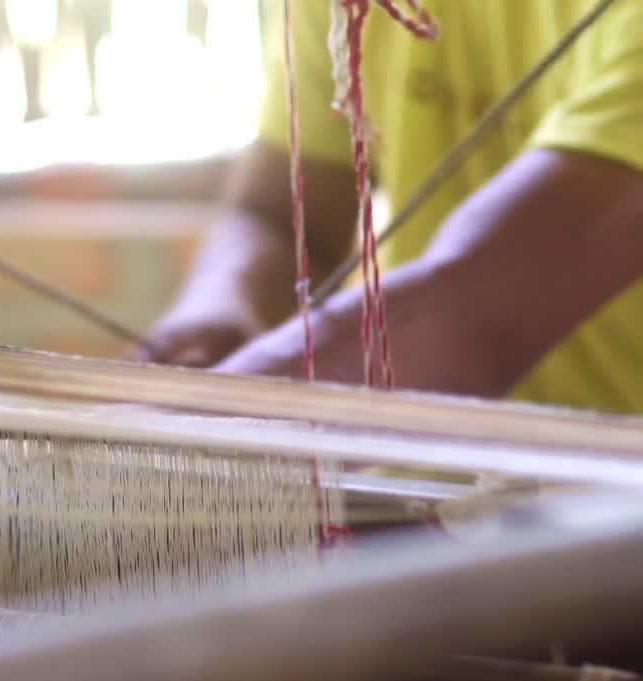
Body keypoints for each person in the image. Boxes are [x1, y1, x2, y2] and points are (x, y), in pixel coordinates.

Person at [140, 0, 643, 415]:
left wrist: (192, 421)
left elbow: (469, 316)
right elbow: (281, 217)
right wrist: (219, 305)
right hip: (421, 477)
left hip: (617, 485)